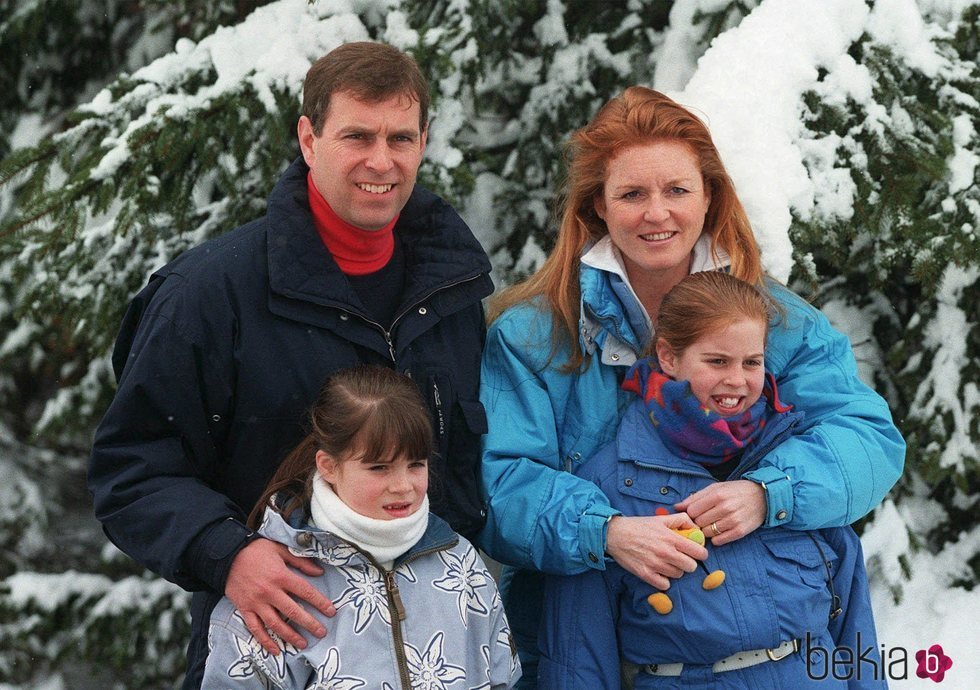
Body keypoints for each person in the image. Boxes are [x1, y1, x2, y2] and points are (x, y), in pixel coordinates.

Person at [88, 42, 494, 688]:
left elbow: (473, 477)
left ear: (425, 140)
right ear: (308, 138)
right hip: (274, 644)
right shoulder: (211, 295)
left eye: (400, 138)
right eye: (356, 136)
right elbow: (132, 469)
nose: (381, 161)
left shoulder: (453, 291)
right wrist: (227, 554)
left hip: (436, 649)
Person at [478, 86, 906, 686]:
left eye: (678, 190)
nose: (658, 214)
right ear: (597, 205)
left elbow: (866, 438)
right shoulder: (534, 337)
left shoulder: (775, 321)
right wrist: (604, 531)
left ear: (710, 198)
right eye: (632, 193)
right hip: (612, 652)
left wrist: (767, 492)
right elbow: (498, 487)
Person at [539, 271, 885, 689]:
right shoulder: (609, 486)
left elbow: (852, 621)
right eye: (717, 361)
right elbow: (579, 659)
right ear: (668, 357)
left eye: (751, 362)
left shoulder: (794, 462)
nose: (737, 380)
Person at [202, 365, 520, 688]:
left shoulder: (461, 564)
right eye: (379, 467)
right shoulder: (274, 582)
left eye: (416, 464)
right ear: (329, 466)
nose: (403, 486)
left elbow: (500, 677)